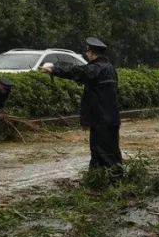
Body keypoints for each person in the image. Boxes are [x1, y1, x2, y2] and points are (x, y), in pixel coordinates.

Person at [42, 37, 123, 171]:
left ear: (92, 53)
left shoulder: (95, 69)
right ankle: (110, 178)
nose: (86, 55)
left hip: (101, 119)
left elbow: (76, 72)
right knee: (111, 151)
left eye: (88, 52)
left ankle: (108, 180)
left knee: (101, 152)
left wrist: (54, 69)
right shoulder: (110, 68)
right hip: (111, 118)